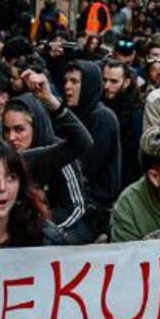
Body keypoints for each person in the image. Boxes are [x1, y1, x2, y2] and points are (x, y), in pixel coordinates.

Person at [0, 69, 97, 244]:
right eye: (6, 130)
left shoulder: (55, 152)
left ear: (35, 127)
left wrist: (50, 100)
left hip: (63, 226)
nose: (11, 137)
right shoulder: (4, 156)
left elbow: (75, 206)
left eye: (19, 129)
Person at [64, 60, 122, 236]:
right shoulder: (76, 115)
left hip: (94, 213)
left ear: (89, 84)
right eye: (66, 81)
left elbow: (84, 168)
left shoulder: (102, 118)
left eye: (74, 82)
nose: (67, 87)